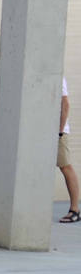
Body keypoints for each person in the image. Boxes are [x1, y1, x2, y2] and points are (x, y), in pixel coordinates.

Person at [57, 79, 78, 224]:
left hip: (58, 132)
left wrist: (59, 131)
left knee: (65, 167)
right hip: (43, 132)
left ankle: (75, 210)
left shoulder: (58, 74)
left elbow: (65, 104)